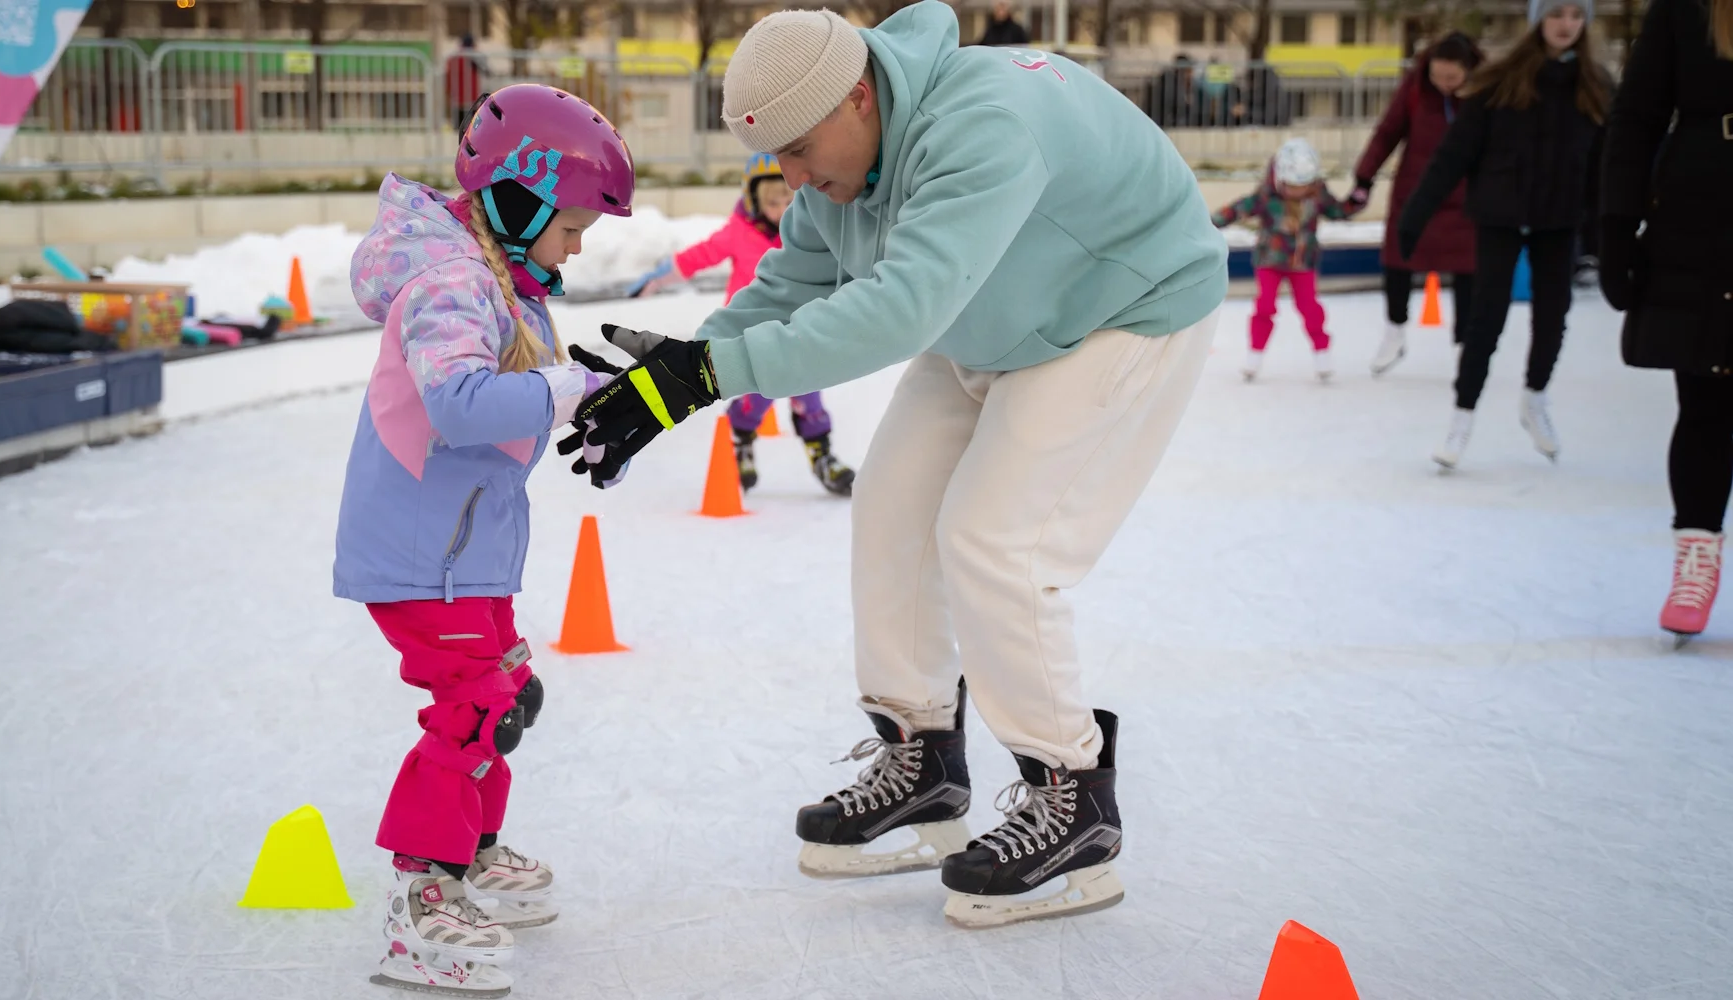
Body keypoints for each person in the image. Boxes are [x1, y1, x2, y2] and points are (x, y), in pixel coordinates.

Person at [563, 3, 1226, 927]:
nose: (790, 179)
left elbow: (903, 308)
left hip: (1123, 310)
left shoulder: (980, 124)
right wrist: (677, 370)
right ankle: (924, 757)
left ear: (859, 97)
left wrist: (706, 375)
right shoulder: (841, 177)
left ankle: (1072, 793)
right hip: (996, 320)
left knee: (996, 539)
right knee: (892, 509)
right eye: (776, 161)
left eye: (798, 150)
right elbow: (788, 288)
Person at [335, 83, 634, 995]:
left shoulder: (508, 281)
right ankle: (421, 896)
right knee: (476, 706)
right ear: (519, 198)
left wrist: (603, 428)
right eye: (573, 224)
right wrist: (573, 392)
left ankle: (470, 852)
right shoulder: (451, 280)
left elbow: (519, 409)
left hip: (468, 553)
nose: (579, 245)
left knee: (508, 696)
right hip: (423, 558)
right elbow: (461, 404)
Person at [1398, 0, 1610, 470]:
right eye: (1557, 14)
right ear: (1538, 20)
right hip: (1501, 214)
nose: (1566, 25)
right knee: (1484, 322)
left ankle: (1535, 398)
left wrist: (1604, 239)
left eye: (1576, 16)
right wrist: (1413, 218)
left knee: (1554, 315)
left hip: (1559, 219)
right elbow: (1452, 157)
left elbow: (1603, 170)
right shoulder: (1499, 83)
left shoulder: (1595, 88)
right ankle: (1462, 418)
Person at [1598, 0, 1733, 638]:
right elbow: (1637, 115)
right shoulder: (1686, 7)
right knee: (1707, 393)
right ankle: (1696, 554)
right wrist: (1619, 228)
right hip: (1700, 216)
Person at [625, 152, 858, 495]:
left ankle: (822, 455)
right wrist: (661, 277)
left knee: (810, 396)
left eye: (788, 200)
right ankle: (741, 440)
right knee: (757, 398)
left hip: (800, 334)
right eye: (772, 201)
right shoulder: (739, 232)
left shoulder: (807, 235)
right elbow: (700, 256)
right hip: (754, 338)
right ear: (753, 200)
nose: (781, 209)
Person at [1352, 32, 1484, 375]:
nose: (1444, 85)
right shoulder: (1415, 87)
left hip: (1466, 194)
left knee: (1469, 268)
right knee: (1397, 257)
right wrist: (1364, 178)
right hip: (1415, 188)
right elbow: (1388, 131)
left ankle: (1464, 345)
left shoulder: (1485, 91)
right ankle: (1394, 331)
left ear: (1468, 72)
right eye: (1437, 77)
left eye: (1452, 79)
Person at [1212, 137, 1370, 382]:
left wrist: (1357, 199)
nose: (1298, 191)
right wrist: (1209, 223)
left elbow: (1338, 211)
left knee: (1309, 307)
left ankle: (1322, 352)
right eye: (1293, 186)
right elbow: (1237, 209)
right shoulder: (1267, 197)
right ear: (1279, 179)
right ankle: (1254, 355)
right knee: (1265, 306)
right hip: (1270, 261)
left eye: (1304, 185)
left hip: (1302, 263)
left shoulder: (1317, 196)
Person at [444, 35, 483, 131]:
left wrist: (448, 91)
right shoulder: (474, 57)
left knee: (457, 129)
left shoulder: (453, 58)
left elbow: (448, 76)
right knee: (471, 129)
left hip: (457, 99)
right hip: (471, 99)